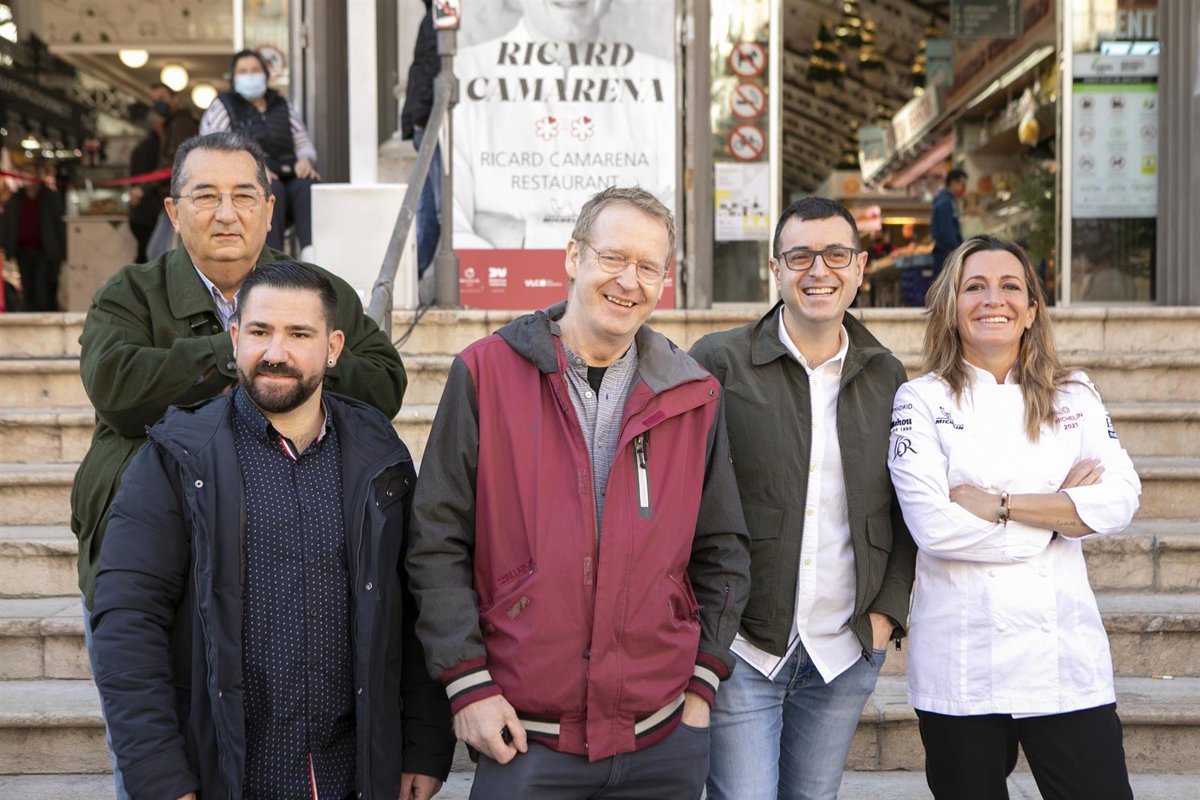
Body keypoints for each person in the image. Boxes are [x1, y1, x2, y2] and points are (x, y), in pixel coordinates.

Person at [72, 131, 406, 798]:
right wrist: (239, 360)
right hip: (156, 551)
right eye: (205, 197)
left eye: (243, 196)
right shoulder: (131, 294)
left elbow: (382, 379)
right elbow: (116, 384)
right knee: (158, 747)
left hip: (284, 551)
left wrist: (281, 364)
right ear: (173, 212)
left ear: (270, 208)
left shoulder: (314, 289)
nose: (226, 214)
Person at [407, 185, 751, 799]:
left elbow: (723, 548)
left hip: (662, 741)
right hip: (526, 740)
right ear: (573, 256)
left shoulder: (693, 394)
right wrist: (466, 681)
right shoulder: (485, 373)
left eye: (648, 267)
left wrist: (703, 683)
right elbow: (437, 538)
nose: (629, 281)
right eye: (613, 257)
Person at [90, 260, 455, 799]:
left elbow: (414, 609)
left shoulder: (380, 457)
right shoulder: (176, 458)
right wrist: (161, 779)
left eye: (299, 334)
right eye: (260, 332)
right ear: (234, 337)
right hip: (226, 780)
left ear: (333, 348)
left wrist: (424, 744)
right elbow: (127, 625)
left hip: (353, 779)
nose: (275, 352)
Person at [887, 235, 1141, 800]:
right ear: (951, 307)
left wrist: (1001, 506)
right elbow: (933, 526)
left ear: (1030, 310)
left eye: (1009, 287)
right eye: (974, 287)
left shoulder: (1075, 395)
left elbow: (1120, 499)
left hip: (1063, 657)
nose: (992, 300)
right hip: (961, 656)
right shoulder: (920, 400)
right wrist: (1059, 517)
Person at [690, 197, 916, 800]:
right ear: (775, 269)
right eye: (800, 256)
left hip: (843, 650)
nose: (819, 270)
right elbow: (681, 497)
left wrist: (885, 616)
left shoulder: (886, 374)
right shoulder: (719, 361)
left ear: (860, 267)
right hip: (741, 648)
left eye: (836, 254)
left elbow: (905, 511)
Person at [452, 0, 675, 249]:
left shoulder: (667, 85)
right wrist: (626, 245)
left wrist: (526, 235)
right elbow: (453, 242)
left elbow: (676, 241)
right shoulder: (460, 77)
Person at [201, 48, 320, 259]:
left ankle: (313, 256)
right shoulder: (223, 106)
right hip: (246, 178)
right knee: (270, 191)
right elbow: (212, 148)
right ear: (233, 78)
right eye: (243, 71)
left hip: (286, 171)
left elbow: (302, 141)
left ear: (266, 74)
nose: (250, 76)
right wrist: (252, 168)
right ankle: (271, 262)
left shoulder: (281, 105)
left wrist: (305, 159)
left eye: (255, 70)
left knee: (308, 185)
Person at [401, 0, 441, 276]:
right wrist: (419, 116)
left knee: (431, 209)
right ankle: (413, 276)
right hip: (431, 123)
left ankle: (412, 276)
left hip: (427, 121)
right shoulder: (438, 19)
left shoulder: (436, 17)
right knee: (436, 209)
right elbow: (429, 70)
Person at [146, 84, 200, 260]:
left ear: (175, 99)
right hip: (173, 197)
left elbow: (176, 162)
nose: (158, 104)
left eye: (162, 99)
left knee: (161, 253)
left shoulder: (181, 124)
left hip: (179, 197)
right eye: (154, 101)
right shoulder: (172, 126)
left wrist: (144, 187)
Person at [0, 174, 66, 311]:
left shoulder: (50, 197)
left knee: (43, 289)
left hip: (45, 252)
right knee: (28, 287)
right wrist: (6, 245)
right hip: (23, 251)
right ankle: (30, 313)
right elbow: (7, 223)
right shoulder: (16, 198)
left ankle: (44, 315)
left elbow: (59, 225)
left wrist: (61, 251)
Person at [128, 112, 163, 263]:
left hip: (144, 215)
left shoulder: (150, 145)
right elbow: (143, 181)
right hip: (146, 216)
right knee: (148, 259)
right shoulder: (150, 147)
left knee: (146, 257)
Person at [930, 168, 966, 274]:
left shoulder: (946, 199)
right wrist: (957, 250)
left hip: (944, 253)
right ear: (953, 182)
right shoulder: (945, 202)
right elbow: (947, 229)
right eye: (962, 183)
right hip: (946, 254)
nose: (963, 187)